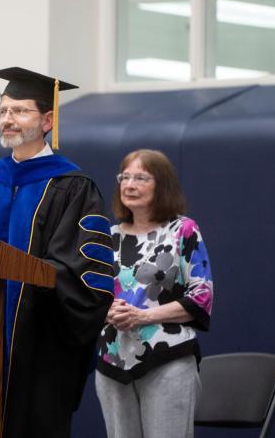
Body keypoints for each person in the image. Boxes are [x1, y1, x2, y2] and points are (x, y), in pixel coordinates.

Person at [0, 67, 114, 437]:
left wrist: (29, 289)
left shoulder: (73, 187)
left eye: (19, 111)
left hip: (40, 348)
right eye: (3, 111)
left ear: (48, 120)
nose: (8, 119)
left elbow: (87, 273)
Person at [95, 149, 213, 438]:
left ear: (162, 185)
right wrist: (105, 310)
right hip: (113, 360)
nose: (129, 185)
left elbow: (202, 297)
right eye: (125, 177)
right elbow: (89, 295)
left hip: (168, 358)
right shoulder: (106, 236)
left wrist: (141, 316)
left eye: (141, 178)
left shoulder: (182, 230)